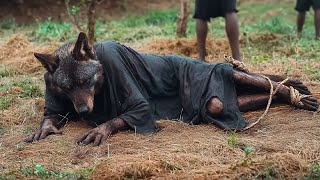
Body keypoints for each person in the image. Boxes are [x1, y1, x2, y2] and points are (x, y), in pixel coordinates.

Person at [26, 32, 318, 146]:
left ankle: (279, 90)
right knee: (215, 108)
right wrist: (49, 122)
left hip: (176, 75)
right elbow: (55, 108)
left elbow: (139, 107)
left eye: (85, 85)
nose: (80, 99)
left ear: (92, 60)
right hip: (165, 102)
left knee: (224, 78)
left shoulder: (109, 57)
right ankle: (275, 91)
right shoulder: (57, 74)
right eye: (71, 89)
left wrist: (108, 127)